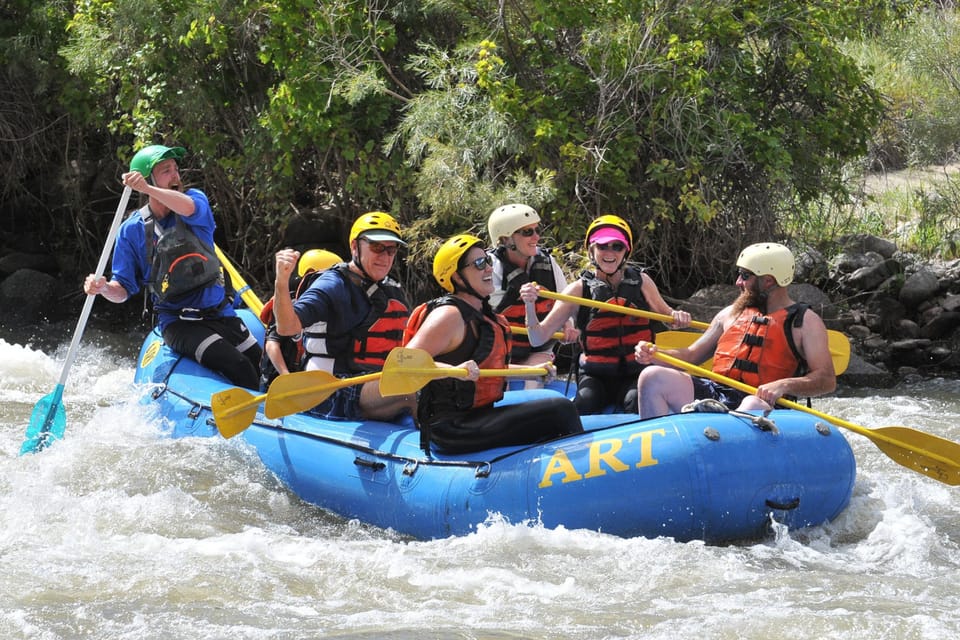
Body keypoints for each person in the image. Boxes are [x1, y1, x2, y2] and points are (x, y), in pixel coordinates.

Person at [84, 144, 262, 388]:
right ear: (147, 179)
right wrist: (103, 287)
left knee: (264, 367)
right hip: (179, 324)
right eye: (166, 170)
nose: (176, 176)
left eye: (176, 169)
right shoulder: (131, 230)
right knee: (240, 367)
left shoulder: (195, 201)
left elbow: (187, 207)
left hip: (220, 313)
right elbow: (123, 290)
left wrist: (148, 188)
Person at [402, 234, 584, 453]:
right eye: (479, 264)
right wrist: (452, 370)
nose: (489, 269)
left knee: (556, 403)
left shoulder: (484, 315)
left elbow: (488, 369)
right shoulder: (449, 315)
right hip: (450, 428)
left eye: (487, 261)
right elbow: (406, 364)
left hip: (479, 415)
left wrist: (530, 372)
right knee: (560, 409)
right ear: (457, 277)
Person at [633, 242, 836, 418]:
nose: (738, 282)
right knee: (652, 377)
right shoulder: (730, 313)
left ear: (768, 281)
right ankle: (657, 454)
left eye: (745, 276)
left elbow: (826, 380)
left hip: (765, 405)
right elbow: (691, 355)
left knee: (752, 405)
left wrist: (783, 385)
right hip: (716, 395)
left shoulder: (805, 322)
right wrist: (656, 355)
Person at [519, 215, 691, 414]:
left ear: (626, 251)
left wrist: (678, 317)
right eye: (603, 246)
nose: (610, 252)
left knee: (635, 401)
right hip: (595, 375)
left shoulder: (642, 282)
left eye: (617, 246)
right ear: (592, 250)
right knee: (585, 403)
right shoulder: (578, 290)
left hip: (635, 373)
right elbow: (536, 337)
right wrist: (530, 306)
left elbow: (669, 318)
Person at [272, 212, 415, 421]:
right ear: (355, 247)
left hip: (369, 386)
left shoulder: (392, 290)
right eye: (376, 247)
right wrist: (281, 282)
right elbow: (287, 328)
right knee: (411, 391)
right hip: (331, 391)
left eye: (391, 250)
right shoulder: (333, 285)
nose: (385, 257)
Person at [486, 204, 578, 386]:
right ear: (506, 239)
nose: (537, 237)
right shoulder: (490, 268)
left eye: (537, 230)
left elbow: (565, 301)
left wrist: (567, 324)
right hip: (499, 351)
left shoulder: (547, 262)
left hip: (536, 350)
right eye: (527, 232)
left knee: (536, 374)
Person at [258, 248, 343, 391]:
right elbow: (272, 345)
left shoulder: (326, 306)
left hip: (304, 379)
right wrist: (287, 377)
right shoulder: (285, 304)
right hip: (276, 380)